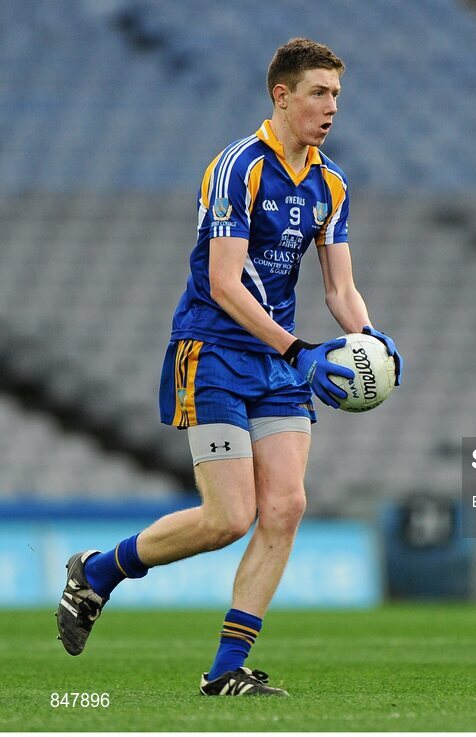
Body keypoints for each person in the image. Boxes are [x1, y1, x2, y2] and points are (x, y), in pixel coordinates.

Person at [55, 38, 403, 696]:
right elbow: (222, 282)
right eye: (319, 94)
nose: (331, 108)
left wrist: (372, 338)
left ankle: (225, 670)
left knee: (288, 505)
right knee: (228, 516)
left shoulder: (331, 183)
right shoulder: (238, 166)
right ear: (283, 95)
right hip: (212, 350)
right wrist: (299, 349)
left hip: (275, 362)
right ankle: (98, 570)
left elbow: (338, 290)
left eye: (337, 96)